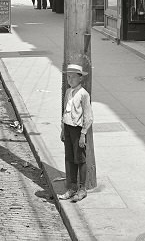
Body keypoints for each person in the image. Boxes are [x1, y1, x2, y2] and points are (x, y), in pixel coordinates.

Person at [59, 64, 93, 203]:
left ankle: (82, 188)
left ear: (80, 78)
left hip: (77, 129)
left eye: (73, 76)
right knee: (69, 158)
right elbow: (65, 111)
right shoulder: (68, 92)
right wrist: (62, 129)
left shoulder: (83, 94)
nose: (70, 79)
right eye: (68, 76)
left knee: (80, 159)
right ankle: (72, 187)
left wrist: (83, 134)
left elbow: (88, 116)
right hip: (67, 128)